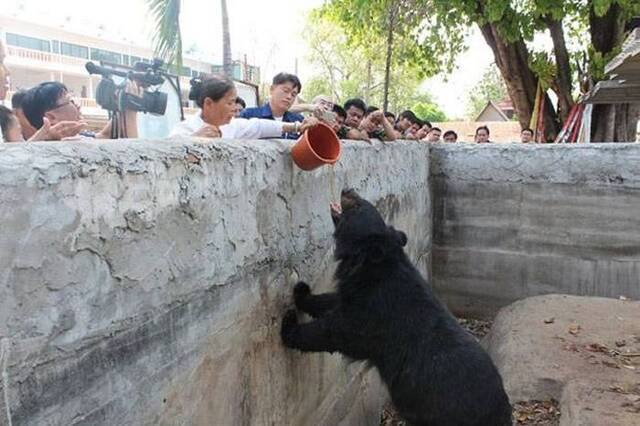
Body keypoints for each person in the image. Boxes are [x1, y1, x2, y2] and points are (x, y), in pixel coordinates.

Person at [170, 74, 318, 139]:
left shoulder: (233, 126)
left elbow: (260, 126)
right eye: (229, 103)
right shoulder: (184, 130)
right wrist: (194, 140)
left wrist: (297, 127)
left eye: (235, 102)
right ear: (209, 103)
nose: (235, 108)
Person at [22, 81, 140, 140]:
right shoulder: (65, 147)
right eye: (71, 101)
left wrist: (122, 102)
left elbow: (104, 134)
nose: (78, 106)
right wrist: (132, 108)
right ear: (51, 117)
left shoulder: (80, 137)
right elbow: (138, 160)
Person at [239, 72, 304, 139]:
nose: (289, 97)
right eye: (286, 91)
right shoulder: (248, 115)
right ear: (272, 89)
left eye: (293, 94)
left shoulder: (299, 121)